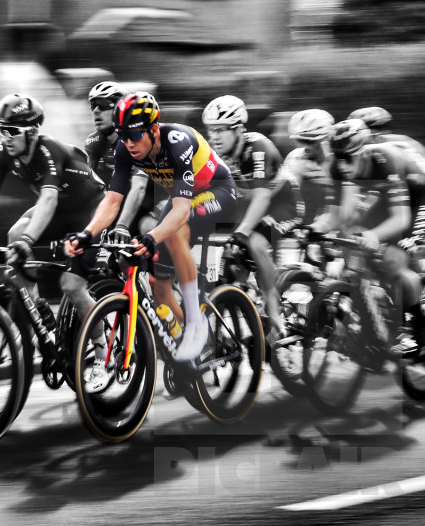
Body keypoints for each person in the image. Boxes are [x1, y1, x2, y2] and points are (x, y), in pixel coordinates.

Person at [66, 92, 238, 361]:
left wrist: (152, 237)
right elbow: (112, 202)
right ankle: (194, 346)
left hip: (218, 192)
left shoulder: (178, 141)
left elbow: (181, 211)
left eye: (134, 135)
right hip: (184, 198)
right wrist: (88, 233)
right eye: (122, 135)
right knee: (159, 284)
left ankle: (195, 323)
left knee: (175, 229)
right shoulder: (125, 149)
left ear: (153, 130)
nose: (128, 143)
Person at [0, 93, 107, 327]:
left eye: (13, 130)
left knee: (72, 286)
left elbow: (48, 199)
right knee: (14, 235)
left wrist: (29, 240)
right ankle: (37, 305)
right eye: (2, 130)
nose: (6, 137)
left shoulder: (49, 150)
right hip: (60, 210)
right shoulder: (4, 151)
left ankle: (101, 355)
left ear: (33, 131)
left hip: (90, 211)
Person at [310, 118, 425, 351]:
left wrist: (375, 236)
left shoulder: (385, 162)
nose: (343, 166)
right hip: (382, 195)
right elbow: (339, 216)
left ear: (363, 152)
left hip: (418, 198)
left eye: (348, 159)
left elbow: (400, 219)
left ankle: (419, 323)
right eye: (338, 159)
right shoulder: (339, 167)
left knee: (393, 260)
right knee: (355, 248)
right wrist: (316, 228)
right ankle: (374, 320)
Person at [202, 94, 288, 340]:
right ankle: (235, 304)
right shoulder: (216, 153)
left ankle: (273, 309)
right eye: (211, 130)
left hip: (281, 206)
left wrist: (242, 232)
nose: (214, 136)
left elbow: (262, 197)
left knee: (255, 242)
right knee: (223, 258)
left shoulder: (258, 147)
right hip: (248, 204)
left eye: (221, 130)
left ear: (239, 129)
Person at [84, 81, 158, 245]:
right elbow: (86, 187)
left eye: (103, 104)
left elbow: (139, 187)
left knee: (146, 226)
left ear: (119, 108)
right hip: (123, 203)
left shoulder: (136, 138)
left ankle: (165, 268)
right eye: (93, 105)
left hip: (153, 201)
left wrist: (121, 226)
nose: (96, 110)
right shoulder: (94, 142)